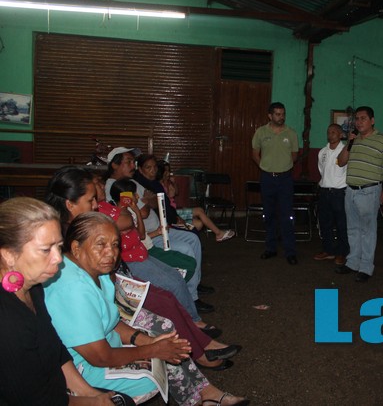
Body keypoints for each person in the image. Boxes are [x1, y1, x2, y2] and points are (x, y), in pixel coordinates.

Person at [44, 212, 249, 405]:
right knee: (153, 372)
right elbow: (100, 357)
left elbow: (111, 322)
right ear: (76, 247)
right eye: (101, 244)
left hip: (106, 347)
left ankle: (204, 395)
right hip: (82, 369)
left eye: (115, 245)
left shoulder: (96, 270)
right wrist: (152, 349)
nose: (111, 253)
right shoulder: (73, 289)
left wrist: (149, 341)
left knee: (165, 340)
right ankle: (198, 399)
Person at [45, 166, 238, 370]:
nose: (95, 205)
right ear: (70, 204)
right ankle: (201, 354)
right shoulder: (65, 238)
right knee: (164, 303)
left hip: (116, 278)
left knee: (167, 296)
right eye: (90, 200)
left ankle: (203, 343)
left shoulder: (83, 223)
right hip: (110, 289)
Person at [0, 197, 118, 405]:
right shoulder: (7, 321)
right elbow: (31, 399)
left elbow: (55, 348)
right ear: (9, 255)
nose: (59, 258)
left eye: (59, 247)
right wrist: (92, 403)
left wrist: (89, 393)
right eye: (46, 249)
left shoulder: (34, 287)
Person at [104, 147, 214, 313]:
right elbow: (144, 211)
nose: (133, 166)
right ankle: (191, 297)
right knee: (186, 248)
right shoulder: (116, 186)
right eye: (128, 162)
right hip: (149, 237)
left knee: (193, 239)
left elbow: (155, 201)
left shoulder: (131, 182)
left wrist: (149, 201)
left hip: (158, 229)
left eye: (133, 162)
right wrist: (148, 201)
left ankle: (194, 286)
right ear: (114, 165)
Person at [335, 106, 383, 282]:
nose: (359, 122)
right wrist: (349, 143)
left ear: (372, 121)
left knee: (367, 231)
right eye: (357, 119)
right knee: (353, 229)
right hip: (350, 191)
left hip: (369, 191)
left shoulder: (382, 141)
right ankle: (352, 262)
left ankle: (366, 267)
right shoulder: (354, 140)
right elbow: (341, 162)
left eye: (363, 118)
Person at [136, 155, 235, 242]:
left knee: (196, 225)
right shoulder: (145, 185)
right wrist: (175, 219)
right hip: (162, 224)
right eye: (148, 167)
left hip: (171, 216)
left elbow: (168, 203)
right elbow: (159, 208)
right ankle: (217, 234)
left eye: (155, 167)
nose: (153, 170)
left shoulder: (155, 183)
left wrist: (176, 217)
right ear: (140, 169)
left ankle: (216, 234)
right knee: (193, 230)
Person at [251, 102, 299, 265]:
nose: (281, 117)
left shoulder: (291, 133)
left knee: (287, 215)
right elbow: (255, 154)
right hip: (267, 179)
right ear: (270, 116)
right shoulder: (261, 132)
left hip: (285, 179)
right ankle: (270, 248)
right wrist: (265, 167)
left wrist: (282, 167)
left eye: (283, 114)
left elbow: (294, 155)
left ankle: (290, 251)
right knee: (269, 214)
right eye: (277, 114)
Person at [314, 123, 349, 265]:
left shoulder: (345, 150)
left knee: (341, 224)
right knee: (325, 223)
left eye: (334, 132)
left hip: (339, 192)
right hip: (324, 191)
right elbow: (321, 170)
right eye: (329, 132)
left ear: (340, 135)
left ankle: (342, 253)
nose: (330, 134)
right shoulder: (322, 152)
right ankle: (328, 250)